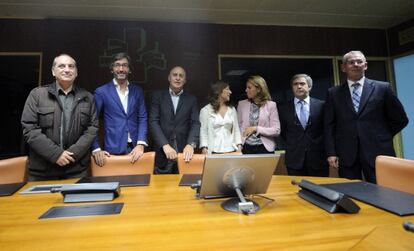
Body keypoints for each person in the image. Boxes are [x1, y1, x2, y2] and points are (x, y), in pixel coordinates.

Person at [324, 50, 408, 183]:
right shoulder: (333, 93)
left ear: (366, 65)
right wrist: (331, 152)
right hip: (347, 153)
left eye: (359, 61)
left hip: (378, 151)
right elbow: (329, 125)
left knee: (383, 191)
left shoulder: (383, 88)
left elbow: (400, 119)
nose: (355, 64)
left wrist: (383, 135)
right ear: (343, 67)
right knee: (351, 193)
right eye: (351, 62)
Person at [21, 54, 98, 180]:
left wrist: (71, 155)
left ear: (76, 72)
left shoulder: (87, 97)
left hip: (76, 169)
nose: (67, 69)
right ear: (53, 71)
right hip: (42, 171)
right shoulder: (37, 95)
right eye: (61, 66)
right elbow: (29, 129)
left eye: (71, 66)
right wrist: (56, 154)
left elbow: (92, 129)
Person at [92, 53, 148, 167]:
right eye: (117, 65)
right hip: (112, 148)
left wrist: (141, 143)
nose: (121, 69)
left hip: (135, 149)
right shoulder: (101, 92)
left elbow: (142, 117)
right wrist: (96, 148)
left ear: (129, 69)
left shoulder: (138, 91)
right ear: (112, 69)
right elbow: (92, 122)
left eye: (125, 65)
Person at [149, 66, 200, 174]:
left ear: (185, 80)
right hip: (162, 153)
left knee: (185, 188)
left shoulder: (191, 99)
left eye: (181, 76)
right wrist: (165, 145)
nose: (178, 78)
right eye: (175, 75)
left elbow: (195, 123)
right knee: (161, 188)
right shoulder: (157, 96)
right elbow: (153, 122)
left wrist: (191, 144)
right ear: (169, 78)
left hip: (185, 154)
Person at [279, 74, 328, 176]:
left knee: (319, 190)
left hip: (318, 158)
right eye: (295, 84)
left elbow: (326, 130)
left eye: (302, 84)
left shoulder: (322, 105)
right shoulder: (283, 108)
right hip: (294, 158)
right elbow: (283, 132)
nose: (299, 86)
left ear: (309, 87)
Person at [237, 75, 280, 154]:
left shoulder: (271, 105)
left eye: (249, 88)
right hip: (245, 147)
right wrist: (239, 145)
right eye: (246, 87)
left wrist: (256, 128)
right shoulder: (241, 104)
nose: (246, 90)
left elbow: (276, 130)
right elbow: (238, 127)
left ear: (259, 89)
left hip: (265, 148)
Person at [199, 81, 242, 154]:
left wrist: (239, 146)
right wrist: (204, 148)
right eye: (228, 89)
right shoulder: (205, 110)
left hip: (231, 149)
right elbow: (203, 131)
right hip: (213, 151)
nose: (230, 92)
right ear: (219, 91)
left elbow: (236, 129)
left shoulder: (232, 109)